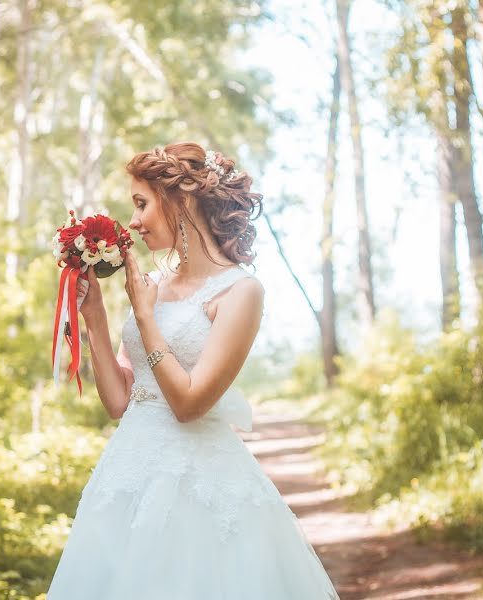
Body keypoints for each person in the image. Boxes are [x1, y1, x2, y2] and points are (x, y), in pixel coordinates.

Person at [46, 142, 340, 599]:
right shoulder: (156, 286)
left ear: (180, 200)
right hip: (127, 474)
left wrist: (145, 317)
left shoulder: (241, 292)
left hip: (197, 484)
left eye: (142, 203)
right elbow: (119, 401)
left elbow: (188, 404)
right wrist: (96, 318)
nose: (135, 221)